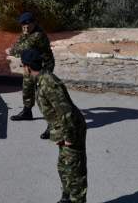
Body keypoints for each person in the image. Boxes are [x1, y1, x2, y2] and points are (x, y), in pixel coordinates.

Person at [22, 48, 87, 203]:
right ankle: (66, 199)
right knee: (64, 167)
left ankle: (76, 200)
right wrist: (56, 132)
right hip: (63, 130)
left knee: (75, 173)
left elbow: (66, 111)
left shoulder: (48, 83)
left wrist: (69, 137)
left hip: (71, 130)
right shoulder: (41, 80)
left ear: (27, 67)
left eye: (22, 66)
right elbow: (54, 112)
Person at [9, 12, 56, 139]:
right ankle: (27, 111)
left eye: (27, 25)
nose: (25, 27)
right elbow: (16, 48)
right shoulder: (27, 33)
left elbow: (17, 49)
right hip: (32, 64)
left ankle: (52, 125)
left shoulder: (37, 35)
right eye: (23, 25)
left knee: (43, 95)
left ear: (34, 23)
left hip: (44, 66)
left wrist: (17, 47)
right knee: (27, 86)